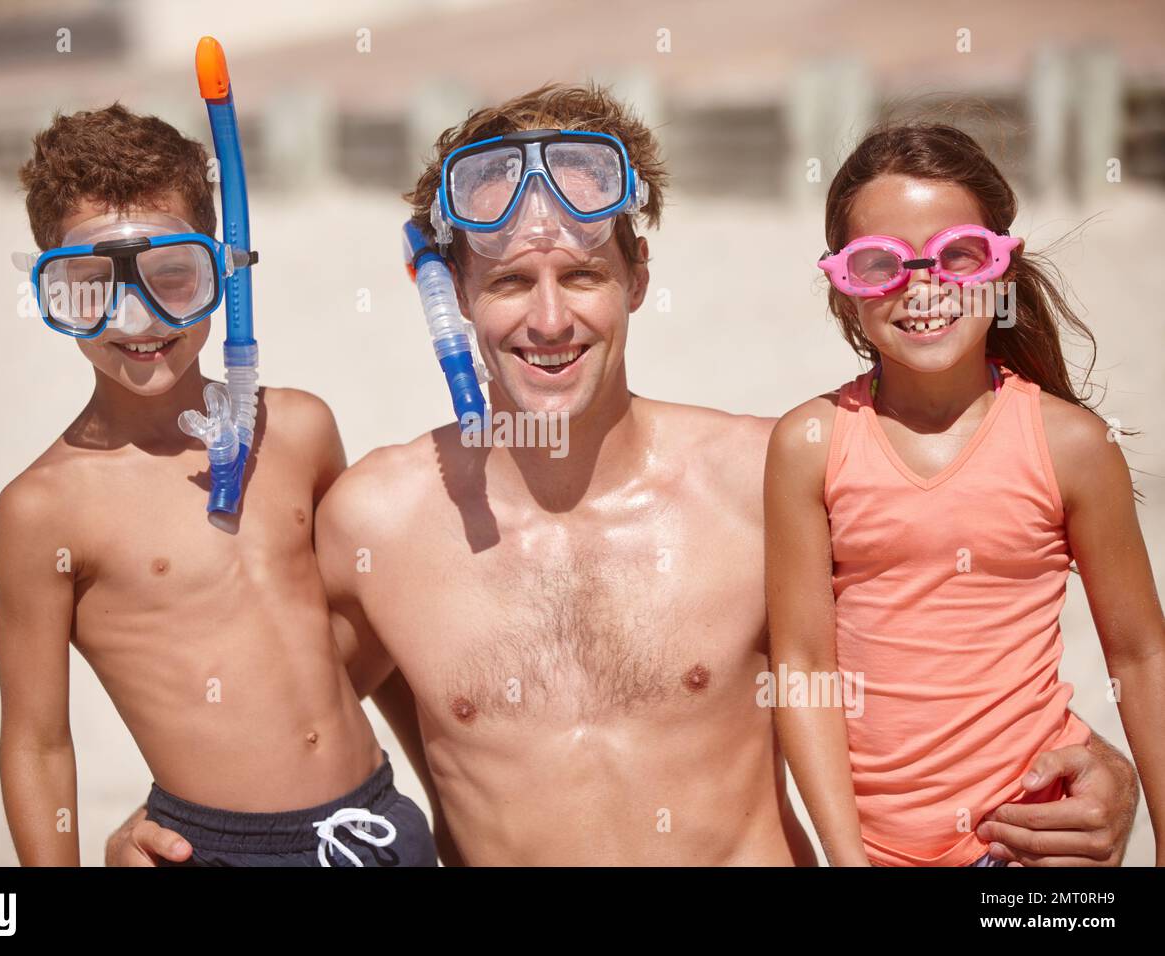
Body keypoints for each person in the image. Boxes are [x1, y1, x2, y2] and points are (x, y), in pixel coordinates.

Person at [110, 87, 1140, 867]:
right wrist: (176, 819)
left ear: (637, 276)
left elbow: (948, 627)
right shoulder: (379, 520)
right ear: (451, 289)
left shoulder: (764, 477)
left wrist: (1094, 767)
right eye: (510, 279)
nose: (550, 319)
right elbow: (281, 716)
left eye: (585, 275)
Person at [0, 103, 436, 867]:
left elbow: (378, 632)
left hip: (378, 826)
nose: (138, 315)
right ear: (48, 293)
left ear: (222, 267)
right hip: (219, 852)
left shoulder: (297, 431)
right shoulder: (44, 510)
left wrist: (449, 816)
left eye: (172, 274)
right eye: (91, 287)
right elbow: (36, 743)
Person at [767, 123, 1163, 866]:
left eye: (958, 255)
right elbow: (803, 670)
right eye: (881, 263)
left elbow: (1142, 656)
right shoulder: (808, 445)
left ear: (1001, 266)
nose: (924, 287)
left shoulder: (1073, 444)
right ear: (843, 288)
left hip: (1035, 850)